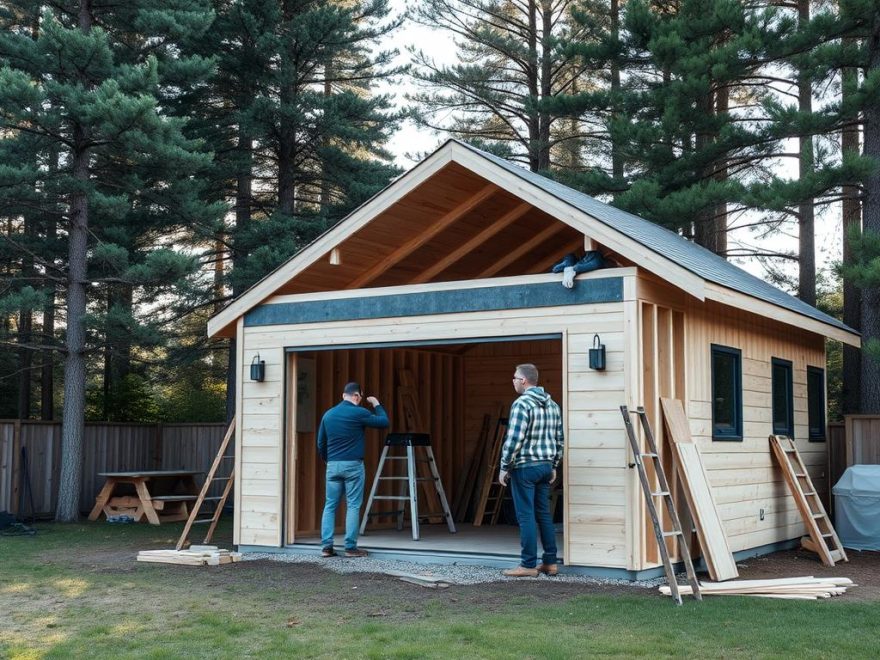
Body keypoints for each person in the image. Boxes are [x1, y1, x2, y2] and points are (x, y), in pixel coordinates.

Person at [498, 363, 564, 577]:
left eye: (515, 378)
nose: (513, 381)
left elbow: (514, 439)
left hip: (525, 467)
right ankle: (550, 562)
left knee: (525, 515)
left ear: (524, 380)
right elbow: (559, 439)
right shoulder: (553, 405)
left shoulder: (521, 404)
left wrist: (504, 466)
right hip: (545, 467)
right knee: (544, 514)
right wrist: (554, 465)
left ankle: (527, 565)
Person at [317, 382, 389, 558]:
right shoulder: (359, 413)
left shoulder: (328, 414)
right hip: (353, 466)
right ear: (356, 396)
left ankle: (327, 547)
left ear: (343, 396)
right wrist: (376, 404)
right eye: (360, 398)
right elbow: (384, 422)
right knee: (353, 505)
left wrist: (329, 460)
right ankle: (350, 548)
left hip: (333, 465)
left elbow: (321, 443)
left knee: (330, 505)